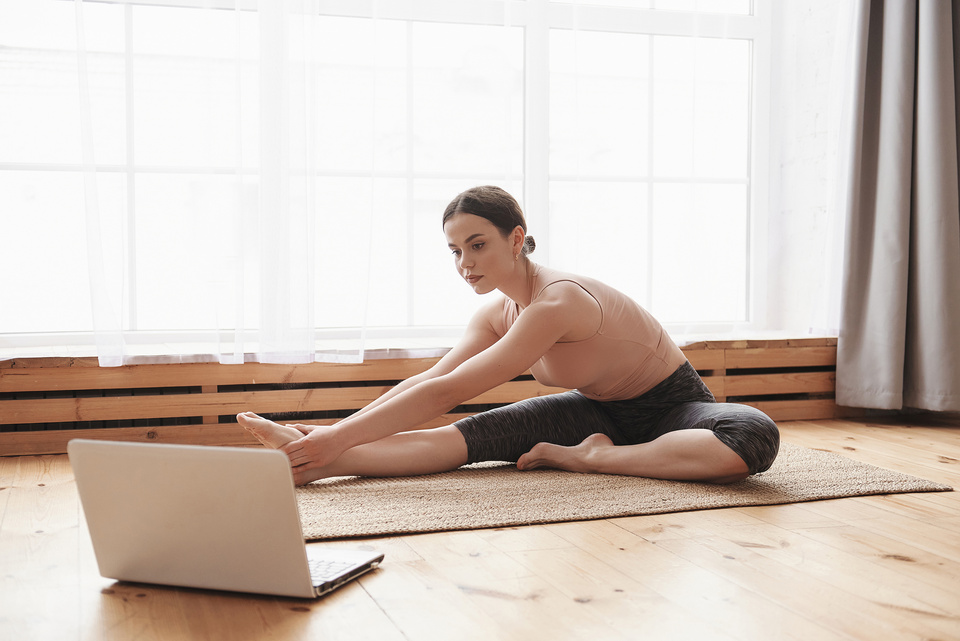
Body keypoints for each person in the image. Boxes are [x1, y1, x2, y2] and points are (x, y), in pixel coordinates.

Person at [237, 186, 779, 486]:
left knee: (750, 438)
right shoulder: (499, 310)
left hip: (672, 410)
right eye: (455, 251)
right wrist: (335, 438)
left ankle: (591, 459)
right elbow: (433, 378)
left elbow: (446, 394)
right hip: (592, 413)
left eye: (477, 245)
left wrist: (334, 433)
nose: (464, 263)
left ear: (516, 239)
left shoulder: (557, 301)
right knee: (459, 443)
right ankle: (311, 464)